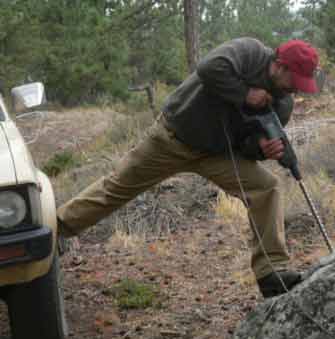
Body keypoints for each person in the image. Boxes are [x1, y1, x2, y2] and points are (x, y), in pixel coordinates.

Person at [57, 37, 319, 298]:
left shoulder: (283, 104)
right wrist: (245, 94)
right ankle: (56, 230)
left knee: (266, 187)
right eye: (295, 82)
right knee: (115, 188)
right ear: (281, 66)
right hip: (171, 139)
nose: (296, 90)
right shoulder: (249, 52)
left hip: (216, 155)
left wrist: (261, 149)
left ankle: (272, 273)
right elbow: (209, 68)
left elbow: (247, 146)